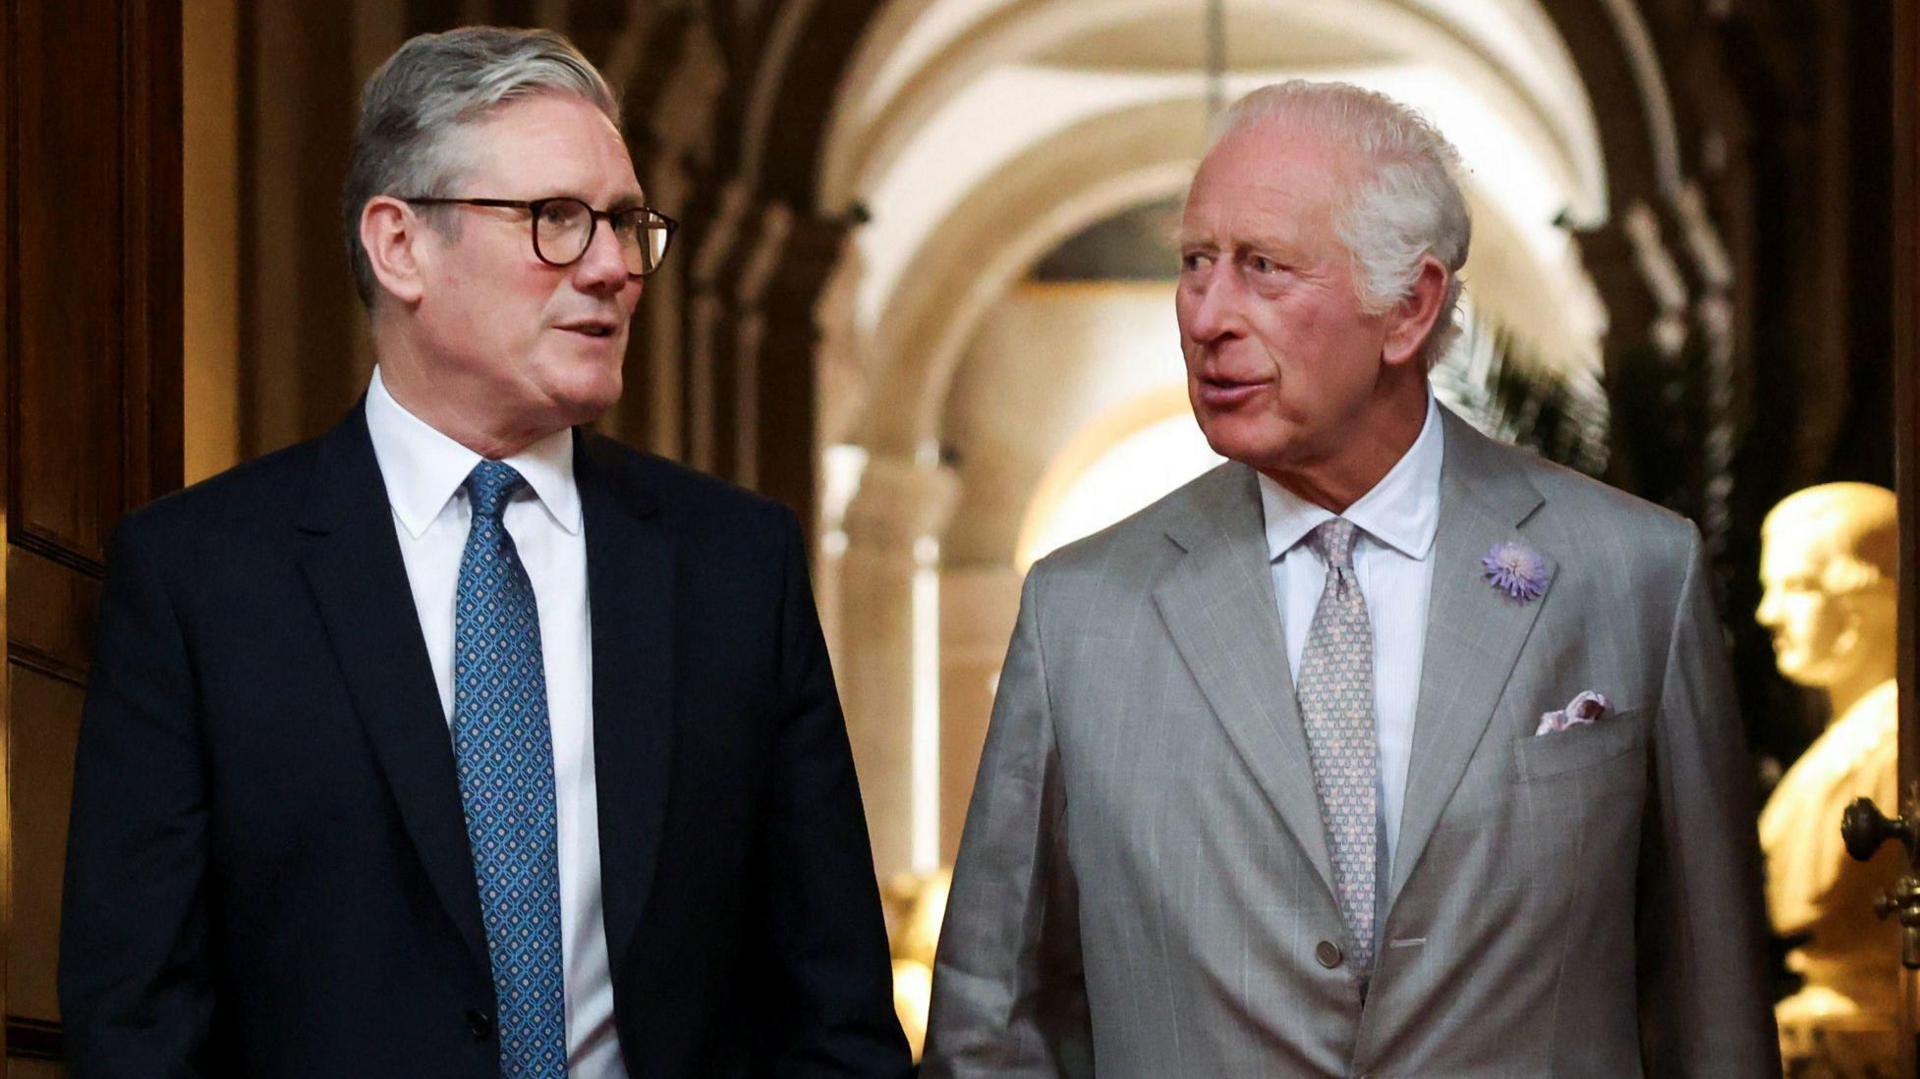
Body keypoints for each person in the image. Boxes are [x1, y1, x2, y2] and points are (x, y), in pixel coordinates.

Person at [60, 26, 909, 1078]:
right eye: (556, 220)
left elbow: (836, 1011)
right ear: (399, 244)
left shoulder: (736, 566)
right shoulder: (199, 578)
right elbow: (138, 1021)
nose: (612, 268)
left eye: (627, 224)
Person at [922, 81, 1779, 1076]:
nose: (1207, 315)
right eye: (1195, 262)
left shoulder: (1633, 575)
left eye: (1263, 267)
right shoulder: (1081, 612)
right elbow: (993, 1024)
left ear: (1410, 306)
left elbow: (1713, 1018)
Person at [1754, 483, 1900, 1068]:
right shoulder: (1847, 745)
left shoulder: (1889, 751)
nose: (1768, 614)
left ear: (1865, 595)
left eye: (1795, 588)